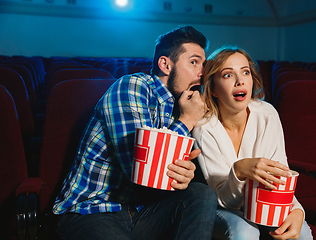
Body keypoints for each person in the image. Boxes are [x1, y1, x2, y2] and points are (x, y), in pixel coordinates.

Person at [53, 25, 218, 240]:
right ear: (165, 64)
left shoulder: (182, 105)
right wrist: (186, 121)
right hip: (93, 210)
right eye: (194, 62)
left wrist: (184, 176)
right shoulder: (132, 86)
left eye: (204, 64)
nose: (202, 72)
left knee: (201, 194)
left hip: (140, 212)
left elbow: (171, 177)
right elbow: (142, 170)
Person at [192, 46, 313, 240]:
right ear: (213, 88)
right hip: (223, 208)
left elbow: (280, 177)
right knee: (244, 232)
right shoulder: (203, 127)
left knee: (302, 233)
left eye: (245, 72)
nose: (240, 81)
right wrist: (239, 171)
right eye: (228, 75)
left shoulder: (267, 114)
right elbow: (224, 200)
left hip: (264, 202)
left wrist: (298, 210)